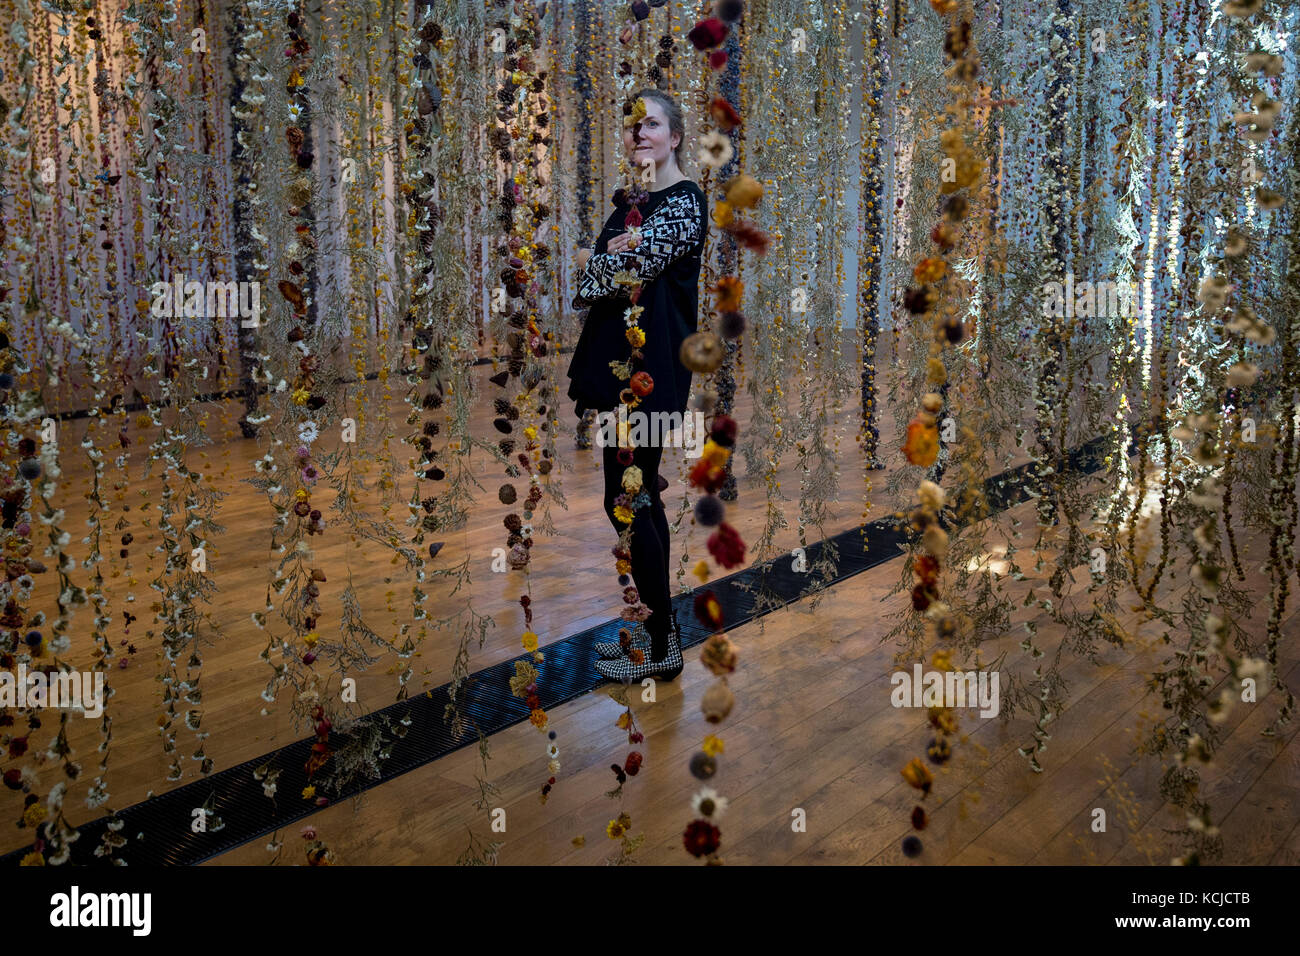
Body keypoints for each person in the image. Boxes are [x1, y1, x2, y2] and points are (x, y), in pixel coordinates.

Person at [565, 89, 708, 684]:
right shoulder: (632, 202)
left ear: (674, 136)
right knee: (636, 491)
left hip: (650, 375)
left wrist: (603, 259)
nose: (638, 134)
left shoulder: (684, 201)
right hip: (619, 369)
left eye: (650, 125)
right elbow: (596, 274)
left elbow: (612, 269)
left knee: (630, 497)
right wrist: (605, 259)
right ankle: (659, 637)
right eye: (631, 127)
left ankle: (661, 642)